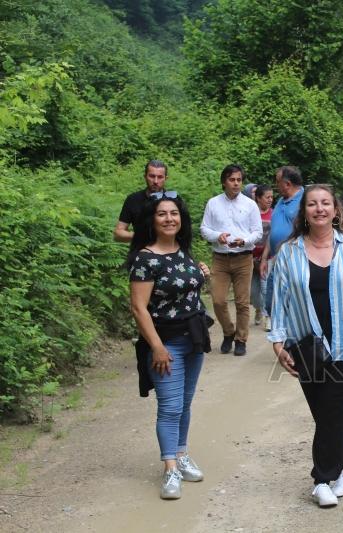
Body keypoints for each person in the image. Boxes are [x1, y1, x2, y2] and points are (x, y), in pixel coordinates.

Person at [268, 184, 343, 509]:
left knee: (332, 412)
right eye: (312, 204)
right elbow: (278, 302)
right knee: (326, 414)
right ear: (303, 213)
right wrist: (278, 346)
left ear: (336, 211)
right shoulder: (288, 252)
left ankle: (321, 478)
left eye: (325, 204)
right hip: (305, 347)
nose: (319, 209)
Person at [127, 192, 211, 500]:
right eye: (162, 214)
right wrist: (157, 347)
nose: (169, 218)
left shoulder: (183, 250)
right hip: (166, 343)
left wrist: (201, 274)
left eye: (173, 213)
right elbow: (138, 308)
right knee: (170, 407)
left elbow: (186, 290)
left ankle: (182, 454)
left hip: (194, 339)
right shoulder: (144, 259)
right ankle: (170, 468)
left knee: (185, 405)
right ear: (152, 220)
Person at [200, 164, 262, 356]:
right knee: (218, 300)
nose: (236, 183)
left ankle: (241, 339)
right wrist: (217, 236)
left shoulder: (250, 204)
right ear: (224, 182)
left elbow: (257, 232)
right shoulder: (213, 203)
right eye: (232, 180)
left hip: (243, 257)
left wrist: (244, 240)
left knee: (243, 302)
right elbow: (204, 229)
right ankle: (228, 332)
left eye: (239, 180)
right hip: (220, 258)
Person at [260, 166, 305, 329]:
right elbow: (273, 231)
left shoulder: (305, 200)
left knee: (292, 300)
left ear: (286, 184)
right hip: (276, 259)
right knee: (271, 298)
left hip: (296, 258)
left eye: (277, 182)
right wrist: (265, 257)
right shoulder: (280, 201)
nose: (275, 185)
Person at [114, 160, 169, 243]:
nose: (155, 181)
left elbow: (184, 232)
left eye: (160, 177)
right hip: (140, 252)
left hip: (167, 252)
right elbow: (118, 234)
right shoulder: (133, 199)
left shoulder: (174, 200)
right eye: (152, 176)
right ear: (145, 176)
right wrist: (140, 236)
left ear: (166, 178)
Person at [253, 186, 274, 329]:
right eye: (267, 197)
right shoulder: (251, 213)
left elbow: (272, 237)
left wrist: (265, 257)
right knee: (252, 293)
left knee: (265, 288)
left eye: (272, 197)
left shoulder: (274, 214)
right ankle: (258, 308)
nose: (270, 200)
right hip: (249, 258)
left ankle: (268, 317)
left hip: (267, 257)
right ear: (259, 198)